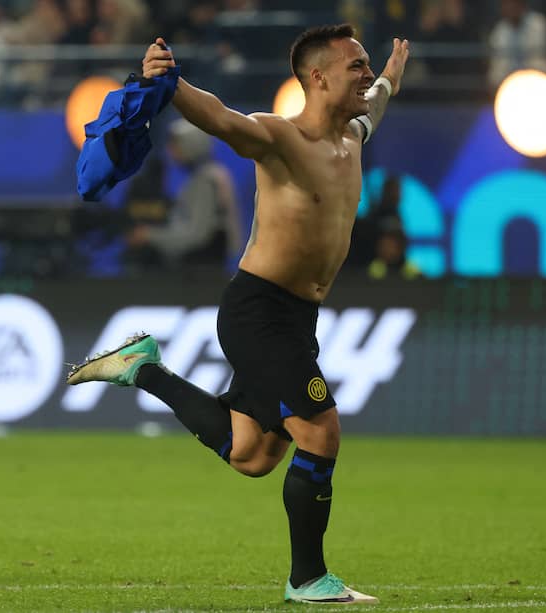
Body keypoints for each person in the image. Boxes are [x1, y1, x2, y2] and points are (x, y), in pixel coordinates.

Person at [66, 24, 410, 604]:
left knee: (252, 453)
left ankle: (141, 368)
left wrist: (393, 71)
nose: (367, 74)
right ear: (317, 78)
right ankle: (307, 580)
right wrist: (169, 82)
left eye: (368, 63)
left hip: (298, 319)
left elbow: (379, 99)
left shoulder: (354, 135)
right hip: (259, 312)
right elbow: (222, 117)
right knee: (320, 431)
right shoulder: (280, 138)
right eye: (356, 66)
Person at [124, 118, 243, 270]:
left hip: (200, 272)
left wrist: (148, 235)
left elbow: (196, 234)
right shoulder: (213, 175)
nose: (170, 150)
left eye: (175, 144)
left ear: (192, 144)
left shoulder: (207, 179)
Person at [487, 0, 546, 88]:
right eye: (507, 4)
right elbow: (499, 65)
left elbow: (537, 57)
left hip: (536, 73)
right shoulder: (499, 31)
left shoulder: (537, 22)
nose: (510, 8)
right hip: (508, 77)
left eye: (513, 4)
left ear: (521, 5)